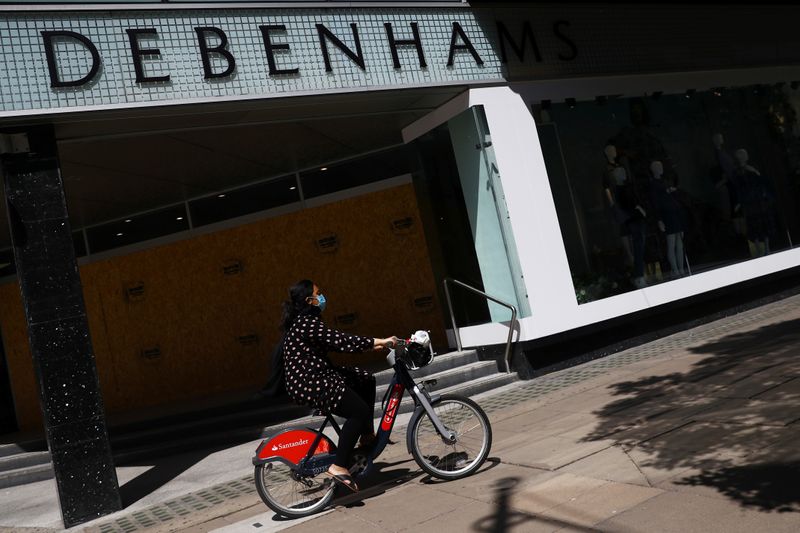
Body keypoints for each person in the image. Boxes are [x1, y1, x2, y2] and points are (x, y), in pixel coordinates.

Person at [280, 279, 397, 492]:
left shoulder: (307, 321)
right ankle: (339, 465)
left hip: (317, 375)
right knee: (358, 411)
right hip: (312, 381)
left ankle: (367, 435)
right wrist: (378, 342)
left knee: (365, 378)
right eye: (319, 293)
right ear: (310, 300)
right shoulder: (306, 323)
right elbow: (340, 341)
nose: (323, 297)